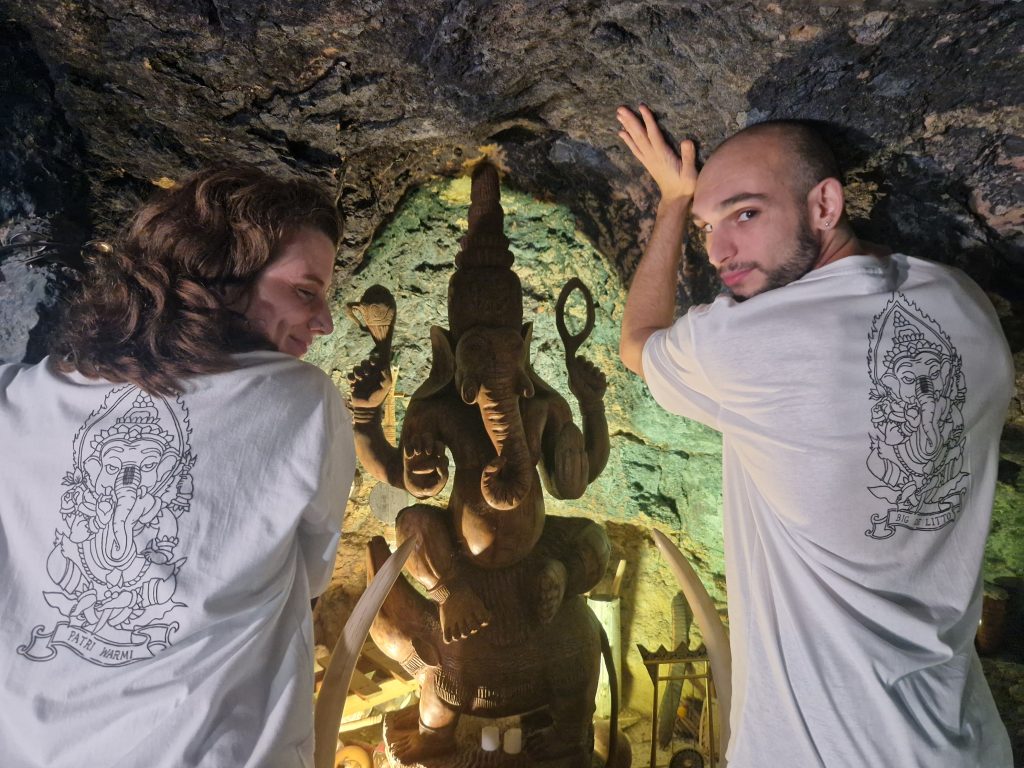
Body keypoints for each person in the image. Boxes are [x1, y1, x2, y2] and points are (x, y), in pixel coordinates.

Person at [616, 104, 1014, 767]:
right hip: (960, 741)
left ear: (825, 204)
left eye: (745, 214)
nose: (716, 251)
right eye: (707, 226)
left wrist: (673, 201)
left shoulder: (751, 342)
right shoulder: (965, 307)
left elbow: (637, 342)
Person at [0, 165, 355, 767]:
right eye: (305, 291)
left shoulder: (21, 396)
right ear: (222, 275)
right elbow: (311, 574)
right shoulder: (303, 401)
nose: (324, 321)